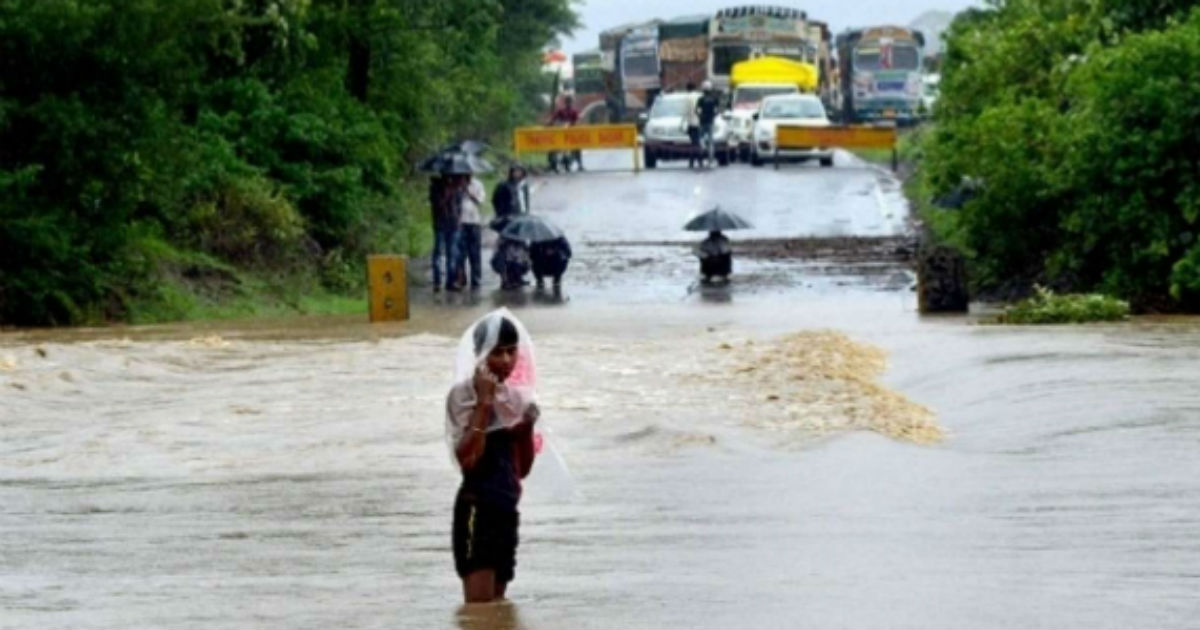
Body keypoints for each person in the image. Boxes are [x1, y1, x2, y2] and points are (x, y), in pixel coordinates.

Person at [446, 311, 540, 604]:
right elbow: (468, 460)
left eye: (511, 351)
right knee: (479, 609)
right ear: (480, 354)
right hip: (477, 509)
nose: (506, 360)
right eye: (497, 352)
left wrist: (525, 430)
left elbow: (521, 469)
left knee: (498, 610)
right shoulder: (463, 396)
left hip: (506, 510)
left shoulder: (516, 399)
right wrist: (484, 402)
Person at [430, 175, 462, 292]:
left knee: (452, 254)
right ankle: (437, 282)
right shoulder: (435, 188)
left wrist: (459, 220)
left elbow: (459, 206)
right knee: (438, 253)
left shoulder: (457, 188)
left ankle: (451, 281)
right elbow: (437, 205)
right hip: (440, 224)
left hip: (453, 225)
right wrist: (447, 195)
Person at [456, 175, 486, 290]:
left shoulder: (477, 184)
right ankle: (461, 278)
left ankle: (476, 279)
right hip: (461, 222)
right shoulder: (457, 184)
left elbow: (480, 201)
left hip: (474, 222)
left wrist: (469, 192)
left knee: (475, 253)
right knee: (461, 253)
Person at [549, 96, 582, 172]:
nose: (568, 103)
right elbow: (553, 118)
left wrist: (574, 124)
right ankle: (551, 164)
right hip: (560, 133)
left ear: (571, 102)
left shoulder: (574, 111)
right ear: (565, 102)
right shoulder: (560, 111)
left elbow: (577, 120)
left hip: (571, 134)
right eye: (567, 101)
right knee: (552, 147)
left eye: (569, 101)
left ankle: (580, 164)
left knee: (577, 147)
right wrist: (550, 123)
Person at [491, 166, 529, 233]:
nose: (518, 173)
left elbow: (525, 200)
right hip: (508, 215)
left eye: (520, 171)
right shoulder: (504, 184)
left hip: (522, 214)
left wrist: (526, 211)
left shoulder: (524, 185)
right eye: (516, 171)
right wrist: (500, 213)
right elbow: (495, 199)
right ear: (511, 172)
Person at [695, 81, 721, 167]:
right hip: (710, 122)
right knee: (711, 142)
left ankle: (701, 156)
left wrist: (700, 116)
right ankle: (710, 160)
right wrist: (713, 116)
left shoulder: (701, 99)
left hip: (702, 122)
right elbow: (717, 110)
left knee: (701, 140)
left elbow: (697, 110)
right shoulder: (715, 99)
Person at [684, 82, 701, 169]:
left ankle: (694, 160)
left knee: (694, 142)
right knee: (697, 142)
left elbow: (687, 111)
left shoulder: (688, 97)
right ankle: (697, 160)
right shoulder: (700, 95)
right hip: (700, 122)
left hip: (692, 122)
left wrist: (686, 122)